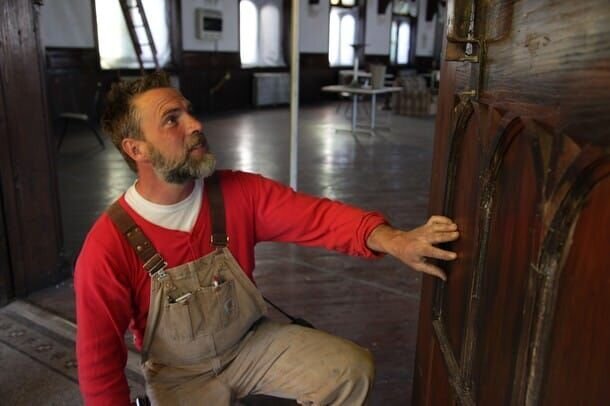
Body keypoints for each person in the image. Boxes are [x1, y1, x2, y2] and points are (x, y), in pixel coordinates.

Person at [74, 71, 459, 406]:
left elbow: (319, 218)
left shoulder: (239, 193)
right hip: (179, 374)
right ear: (136, 149)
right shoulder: (108, 245)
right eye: (172, 120)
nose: (195, 124)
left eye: (189, 111)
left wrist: (394, 240)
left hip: (251, 346)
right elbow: (99, 365)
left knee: (350, 371)